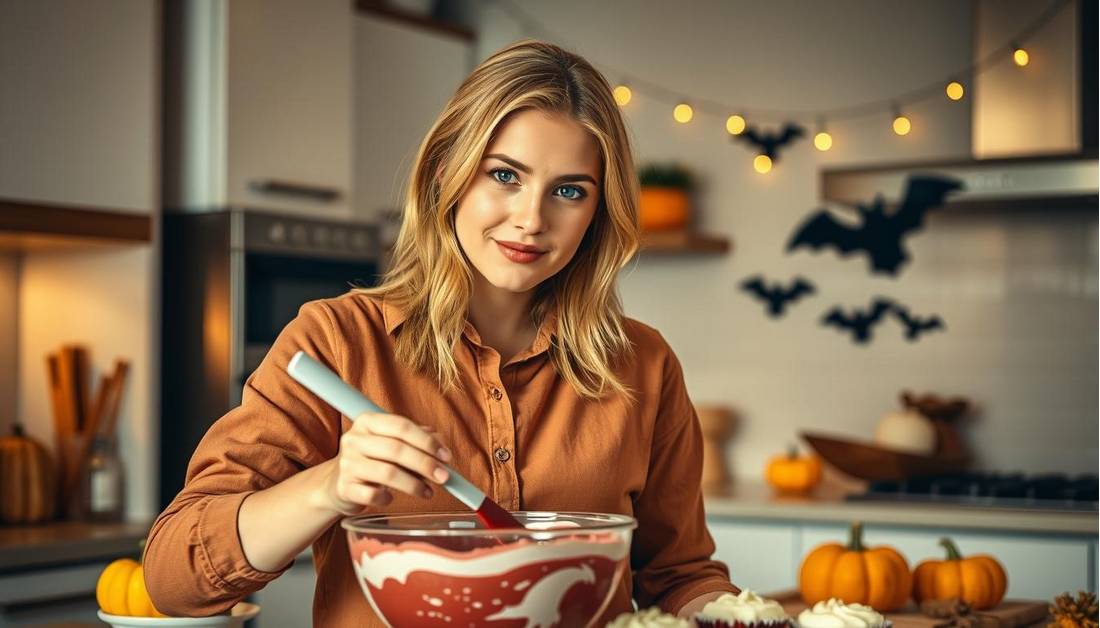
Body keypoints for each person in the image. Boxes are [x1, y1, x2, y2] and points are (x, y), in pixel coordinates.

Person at [144, 38, 739, 626]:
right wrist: (329, 486)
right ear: (447, 176)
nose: (532, 219)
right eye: (505, 175)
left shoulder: (643, 364)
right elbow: (174, 577)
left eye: (568, 191)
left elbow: (680, 578)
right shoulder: (334, 342)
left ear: (597, 211)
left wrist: (743, 618)